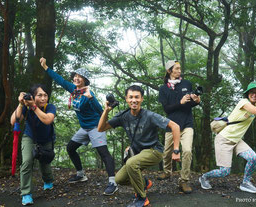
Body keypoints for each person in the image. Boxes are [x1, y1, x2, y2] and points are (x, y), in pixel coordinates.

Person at [39, 57, 117, 195]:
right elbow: (60, 80)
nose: (76, 78)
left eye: (80, 77)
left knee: (103, 153)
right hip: (84, 128)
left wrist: (91, 98)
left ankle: (112, 182)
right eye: (75, 76)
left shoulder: (88, 93)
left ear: (85, 80)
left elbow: (100, 111)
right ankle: (81, 174)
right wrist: (46, 67)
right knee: (70, 148)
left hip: (95, 127)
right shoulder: (74, 90)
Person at [98, 85, 181, 207]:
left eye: (137, 97)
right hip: (138, 153)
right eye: (130, 97)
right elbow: (101, 128)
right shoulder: (124, 116)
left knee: (131, 163)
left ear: (141, 99)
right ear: (126, 99)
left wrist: (176, 150)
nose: (134, 100)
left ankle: (142, 199)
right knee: (119, 179)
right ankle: (145, 183)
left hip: (154, 151)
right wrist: (106, 110)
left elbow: (175, 126)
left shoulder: (149, 115)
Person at [199, 81, 256, 193]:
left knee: (253, 158)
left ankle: (245, 183)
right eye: (252, 92)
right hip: (224, 139)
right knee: (224, 172)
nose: (254, 94)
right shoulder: (244, 102)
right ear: (248, 93)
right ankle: (204, 177)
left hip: (237, 140)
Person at [157, 60, 201, 193]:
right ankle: (167, 171)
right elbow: (167, 109)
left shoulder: (186, 83)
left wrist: (196, 101)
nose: (179, 71)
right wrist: (180, 102)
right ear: (169, 71)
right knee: (166, 152)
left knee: (187, 151)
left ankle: (184, 181)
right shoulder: (163, 89)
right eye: (176, 69)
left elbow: (190, 104)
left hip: (187, 124)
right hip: (171, 125)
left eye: (180, 68)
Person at [10, 84, 56, 206]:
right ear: (32, 96)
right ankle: (26, 193)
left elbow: (47, 120)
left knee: (44, 162)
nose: (43, 98)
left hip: (46, 139)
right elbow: (13, 121)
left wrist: (33, 106)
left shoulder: (50, 107)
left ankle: (48, 180)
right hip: (29, 137)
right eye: (39, 95)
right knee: (27, 162)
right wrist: (21, 104)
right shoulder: (26, 107)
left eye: (45, 95)